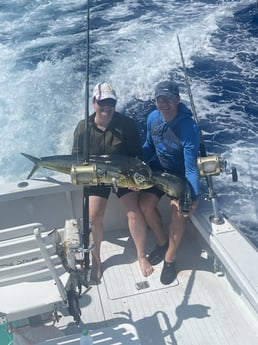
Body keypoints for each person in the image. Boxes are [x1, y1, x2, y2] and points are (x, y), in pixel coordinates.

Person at [72, 82, 153, 282]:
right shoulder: (83, 127)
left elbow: (136, 156)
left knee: (134, 212)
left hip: (123, 175)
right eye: (102, 102)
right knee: (93, 217)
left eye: (111, 102)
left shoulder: (127, 124)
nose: (106, 107)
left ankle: (141, 256)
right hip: (97, 177)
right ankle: (97, 260)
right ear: (94, 103)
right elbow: (75, 157)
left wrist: (135, 180)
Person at [139, 80, 200, 285]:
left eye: (169, 99)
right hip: (160, 172)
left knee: (178, 213)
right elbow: (148, 146)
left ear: (178, 100)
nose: (164, 104)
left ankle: (170, 259)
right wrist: (137, 167)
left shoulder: (188, 127)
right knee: (144, 204)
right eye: (160, 99)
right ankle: (162, 242)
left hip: (180, 178)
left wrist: (192, 197)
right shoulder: (152, 118)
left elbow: (191, 168)